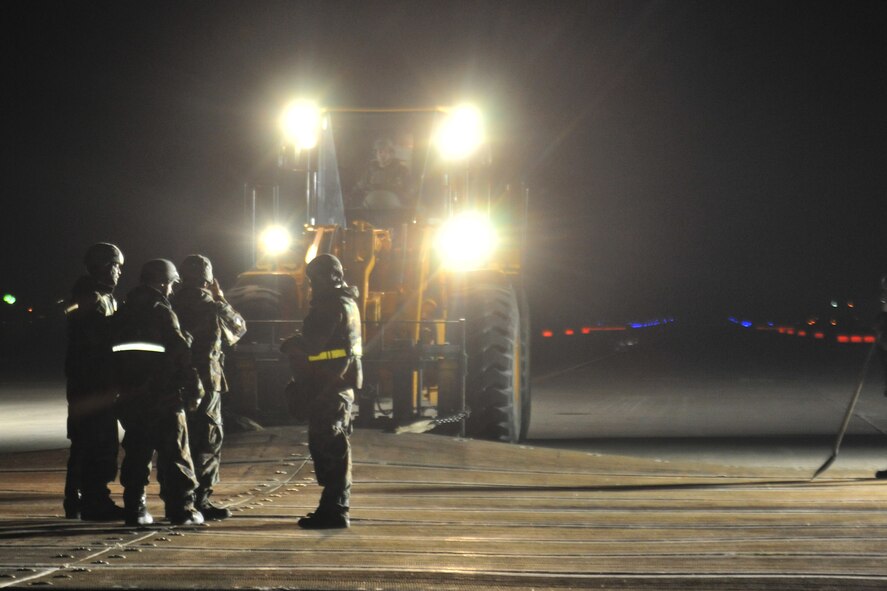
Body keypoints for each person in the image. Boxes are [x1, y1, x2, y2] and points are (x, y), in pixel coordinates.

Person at [112, 259, 205, 525]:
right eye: (172, 284)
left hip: (133, 394)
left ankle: (136, 508)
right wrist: (194, 387)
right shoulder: (161, 310)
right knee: (175, 452)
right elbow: (180, 352)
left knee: (137, 451)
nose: (172, 289)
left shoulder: (124, 311)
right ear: (164, 282)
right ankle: (182, 509)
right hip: (163, 395)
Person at [281, 254, 362, 529]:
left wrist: (292, 344)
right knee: (332, 446)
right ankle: (333, 507)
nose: (313, 284)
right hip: (336, 383)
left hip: (329, 385)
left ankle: (335, 510)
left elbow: (314, 343)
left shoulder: (329, 306)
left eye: (318, 278)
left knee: (331, 448)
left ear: (335, 277)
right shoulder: (346, 302)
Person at [171, 255, 246, 520]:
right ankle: (201, 500)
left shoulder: (171, 303)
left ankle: (179, 499)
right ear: (207, 279)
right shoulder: (212, 306)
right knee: (207, 440)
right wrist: (221, 297)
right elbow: (239, 328)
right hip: (207, 381)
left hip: (175, 380)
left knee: (180, 440)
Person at [63, 242, 126, 521]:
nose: (119, 272)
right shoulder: (89, 297)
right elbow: (95, 339)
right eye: (116, 266)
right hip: (92, 383)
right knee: (98, 443)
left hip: (95, 382)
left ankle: (78, 499)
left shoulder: (101, 296)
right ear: (103, 266)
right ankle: (93, 500)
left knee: (86, 443)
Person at [353, 138, 412, 209]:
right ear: (376, 154)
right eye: (380, 152)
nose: (382, 155)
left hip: (394, 209)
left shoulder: (402, 170)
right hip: (371, 208)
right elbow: (359, 188)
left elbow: (410, 190)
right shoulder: (369, 170)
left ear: (391, 154)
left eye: (386, 152)